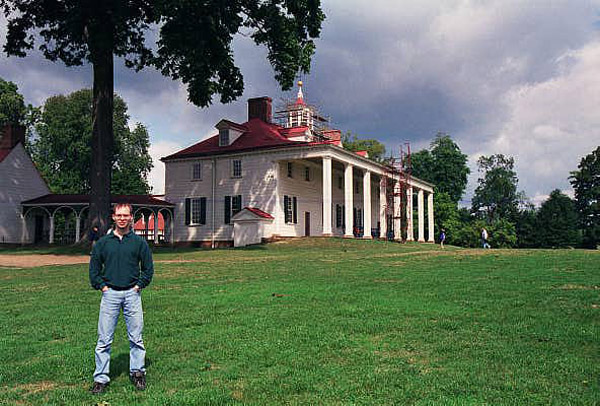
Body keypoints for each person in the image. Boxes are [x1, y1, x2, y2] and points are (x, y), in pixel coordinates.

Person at [89, 203, 154, 394]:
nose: (122, 218)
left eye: (126, 215)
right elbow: (94, 270)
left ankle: (137, 372)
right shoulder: (103, 243)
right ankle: (101, 378)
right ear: (113, 217)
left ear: (131, 218)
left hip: (132, 294)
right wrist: (103, 287)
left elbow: (148, 269)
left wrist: (138, 286)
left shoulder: (139, 243)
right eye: (119, 215)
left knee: (136, 337)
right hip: (110, 295)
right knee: (104, 339)